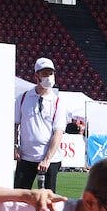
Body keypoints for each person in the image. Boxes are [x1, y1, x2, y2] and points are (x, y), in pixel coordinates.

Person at [14, 57, 69, 192]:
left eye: (50, 73)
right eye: (44, 73)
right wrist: (15, 146)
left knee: (48, 200)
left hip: (50, 160)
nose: (48, 77)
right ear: (36, 76)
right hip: (26, 157)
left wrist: (47, 159)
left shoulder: (58, 102)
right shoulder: (23, 98)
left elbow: (58, 132)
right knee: (18, 196)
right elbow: (15, 125)